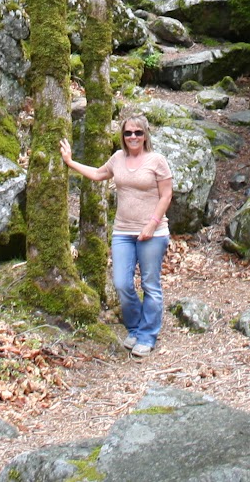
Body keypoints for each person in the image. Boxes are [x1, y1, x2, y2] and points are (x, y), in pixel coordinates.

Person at [59, 114, 173, 357]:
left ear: (145, 135)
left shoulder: (157, 160)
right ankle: (135, 328)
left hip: (153, 233)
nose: (133, 137)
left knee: (150, 285)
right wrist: (69, 161)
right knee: (121, 283)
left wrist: (152, 224)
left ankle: (147, 336)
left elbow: (166, 195)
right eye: (128, 132)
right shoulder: (118, 158)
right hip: (123, 231)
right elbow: (98, 174)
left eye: (138, 132)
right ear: (122, 136)